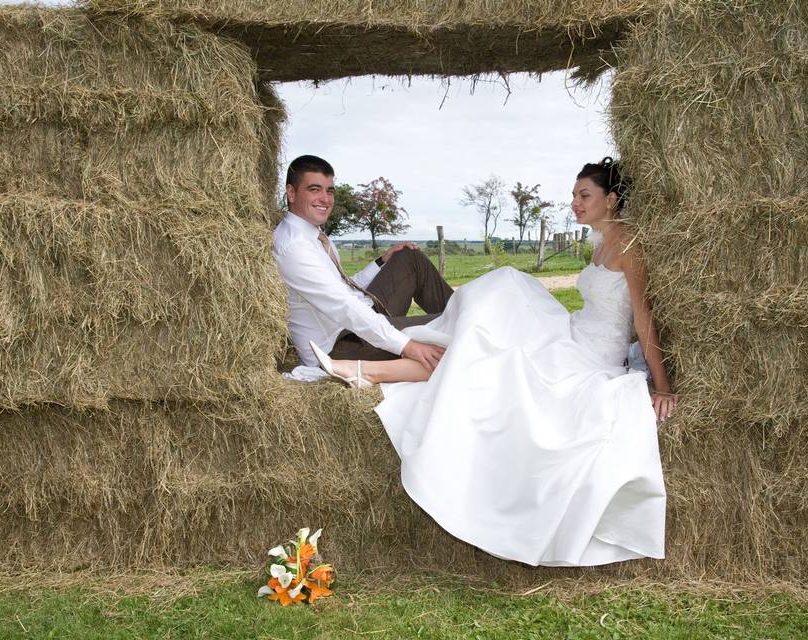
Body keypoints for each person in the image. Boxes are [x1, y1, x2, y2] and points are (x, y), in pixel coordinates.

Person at [312, 158, 673, 567]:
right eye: (573, 194)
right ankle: (365, 368)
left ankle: (365, 369)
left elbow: (643, 318)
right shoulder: (599, 243)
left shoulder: (628, 248)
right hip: (570, 334)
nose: (574, 202)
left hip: (590, 357)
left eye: (583, 195)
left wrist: (660, 386)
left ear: (611, 199)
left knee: (495, 358)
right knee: (501, 295)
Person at [272, 155, 454, 370]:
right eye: (314, 189)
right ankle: (467, 317)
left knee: (408, 257)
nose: (326, 199)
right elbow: (343, 305)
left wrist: (380, 262)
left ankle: (465, 307)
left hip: (356, 324)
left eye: (329, 191)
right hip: (338, 346)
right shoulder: (294, 246)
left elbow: (343, 286)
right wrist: (408, 346)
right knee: (447, 323)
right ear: (291, 193)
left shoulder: (315, 236)